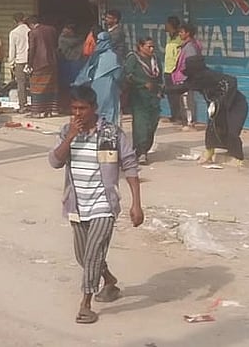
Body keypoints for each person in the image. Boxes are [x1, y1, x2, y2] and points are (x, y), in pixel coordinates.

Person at [49, 85, 143, 325]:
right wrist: (70, 137)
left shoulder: (111, 134)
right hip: (77, 205)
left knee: (92, 256)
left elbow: (130, 165)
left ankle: (85, 305)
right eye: (74, 108)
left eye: (82, 108)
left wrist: (136, 204)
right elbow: (54, 162)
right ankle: (109, 281)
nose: (77, 113)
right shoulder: (66, 132)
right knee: (84, 256)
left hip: (104, 204)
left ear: (94, 109)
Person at [178, 55, 248, 166]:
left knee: (232, 131)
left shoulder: (210, 76)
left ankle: (239, 158)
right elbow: (180, 88)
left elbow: (232, 81)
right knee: (214, 129)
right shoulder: (195, 80)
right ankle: (209, 153)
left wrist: (223, 100)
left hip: (235, 104)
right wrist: (160, 90)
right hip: (218, 107)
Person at [123, 37, 163, 164]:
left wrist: (160, 90)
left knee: (152, 123)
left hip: (153, 97)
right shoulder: (133, 58)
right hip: (139, 97)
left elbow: (159, 76)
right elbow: (128, 75)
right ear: (140, 46)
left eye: (152, 47)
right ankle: (141, 152)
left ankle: (145, 148)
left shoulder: (155, 59)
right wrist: (142, 83)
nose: (151, 49)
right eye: (148, 46)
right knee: (141, 125)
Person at [74, 31, 123, 129]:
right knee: (109, 112)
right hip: (109, 87)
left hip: (96, 86)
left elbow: (88, 72)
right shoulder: (112, 56)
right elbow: (118, 75)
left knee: (97, 110)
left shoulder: (95, 56)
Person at [169, 23, 203, 130]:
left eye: (182, 32)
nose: (180, 34)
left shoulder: (190, 47)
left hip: (186, 77)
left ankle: (189, 123)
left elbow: (189, 63)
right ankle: (186, 122)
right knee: (185, 100)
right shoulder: (187, 45)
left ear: (187, 33)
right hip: (184, 77)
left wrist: (185, 74)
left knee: (187, 100)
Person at [28, 16, 60, 118]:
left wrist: (29, 63)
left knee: (37, 87)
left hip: (39, 63)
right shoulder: (51, 29)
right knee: (51, 87)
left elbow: (32, 48)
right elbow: (55, 45)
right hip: (52, 62)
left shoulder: (33, 32)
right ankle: (52, 110)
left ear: (31, 25)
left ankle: (38, 111)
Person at [9, 13, 31, 111]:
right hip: (30, 60)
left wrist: (11, 63)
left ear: (15, 21)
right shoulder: (30, 31)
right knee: (32, 83)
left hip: (20, 61)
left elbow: (12, 50)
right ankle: (35, 105)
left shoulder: (14, 33)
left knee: (21, 84)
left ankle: (23, 105)